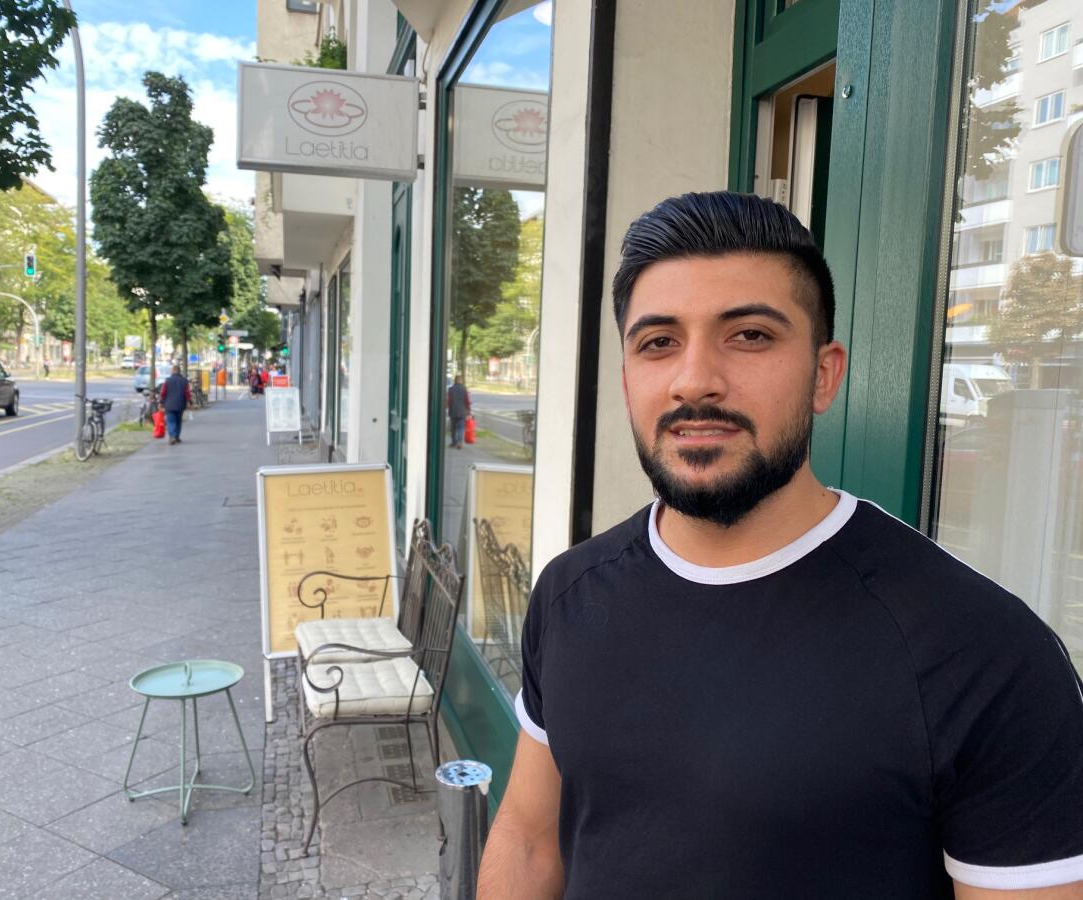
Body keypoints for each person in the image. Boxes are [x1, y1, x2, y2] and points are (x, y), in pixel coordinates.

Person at [476, 192, 1083, 899]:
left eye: (750, 336)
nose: (694, 379)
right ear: (627, 378)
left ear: (824, 374)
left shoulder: (981, 651)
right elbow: (527, 837)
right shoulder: (569, 594)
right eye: (658, 342)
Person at [158, 363, 191, 445]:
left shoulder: (167, 381)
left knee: (170, 421)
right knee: (178, 421)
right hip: (180, 404)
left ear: (172, 371)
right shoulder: (184, 381)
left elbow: (163, 393)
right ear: (179, 371)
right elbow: (187, 393)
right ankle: (177, 437)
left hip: (169, 405)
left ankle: (172, 436)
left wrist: (161, 402)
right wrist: (190, 402)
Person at [447, 374, 471, 449]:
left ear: (455, 380)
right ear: (461, 381)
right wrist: (468, 411)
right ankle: (460, 442)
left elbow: (449, 401)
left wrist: (449, 408)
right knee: (461, 427)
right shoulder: (464, 389)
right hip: (462, 411)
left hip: (453, 411)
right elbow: (467, 401)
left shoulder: (451, 389)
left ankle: (454, 442)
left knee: (453, 428)